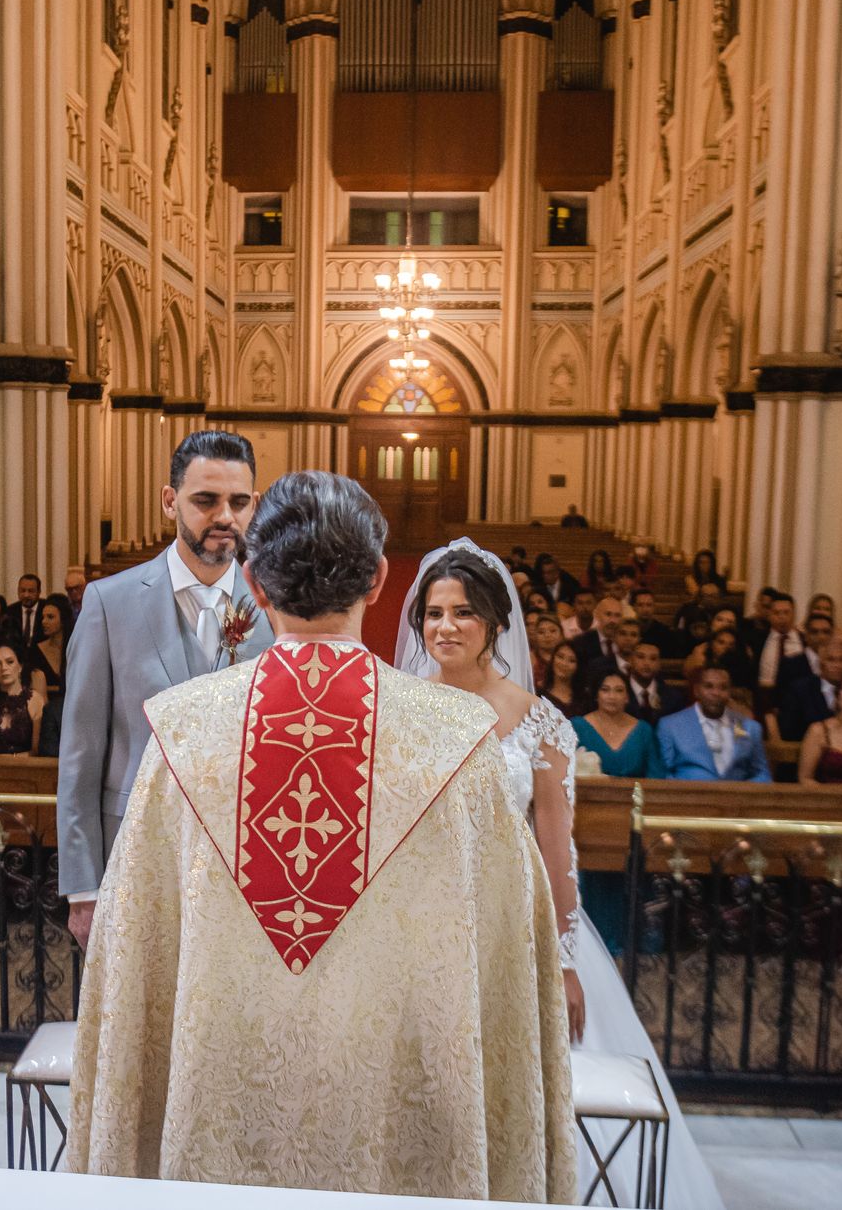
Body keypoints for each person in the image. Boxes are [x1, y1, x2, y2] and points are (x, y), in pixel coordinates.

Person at [70, 478, 576, 1201]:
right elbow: (508, 954)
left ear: (253, 582)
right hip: (399, 1100)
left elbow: (133, 952)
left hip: (222, 1098)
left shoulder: (183, 734)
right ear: (379, 579)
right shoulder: (461, 745)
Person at [394, 537, 723, 1210]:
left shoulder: (539, 719)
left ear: (495, 622)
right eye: (433, 613)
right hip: (421, 925)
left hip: (512, 926)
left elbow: (555, 847)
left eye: (462, 612)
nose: (445, 627)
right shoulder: (400, 708)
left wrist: (565, 958)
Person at [58, 430, 275, 947]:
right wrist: (83, 888)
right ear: (169, 501)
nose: (224, 516)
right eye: (205, 500)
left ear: (254, 506)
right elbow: (81, 754)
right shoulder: (109, 604)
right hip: (134, 856)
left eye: (238, 502)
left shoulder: (276, 610)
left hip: (244, 869)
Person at [656, 663, 773, 781]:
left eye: (723, 687)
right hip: (688, 792)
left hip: (737, 792)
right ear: (696, 691)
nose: (716, 693)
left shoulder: (749, 727)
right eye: (708, 686)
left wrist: (743, 791)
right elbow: (663, 774)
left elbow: (762, 773)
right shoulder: (670, 726)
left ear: (729, 692)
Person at [574, 670, 660, 780]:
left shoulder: (644, 731)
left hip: (635, 791)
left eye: (619, 690)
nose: (612, 696)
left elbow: (655, 776)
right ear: (596, 695)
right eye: (605, 690)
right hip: (588, 790)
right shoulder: (577, 727)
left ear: (627, 697)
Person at [773, 637, 842, 742]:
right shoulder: (800, 690)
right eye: (831, 659)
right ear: (821, 663)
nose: (837, 665)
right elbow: (788, 732)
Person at [0, 639, 44, 756]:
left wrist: (11, 760)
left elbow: (37, 751)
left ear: (20, 666)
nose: (3, 668)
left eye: (10, 662)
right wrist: (0, 762)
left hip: (26, 766)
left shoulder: (36, 700)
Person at [745, 590, 803, 703]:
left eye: (786, 612)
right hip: (764, 697)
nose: (782, 617)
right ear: (770, 615)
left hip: (796, 699)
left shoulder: (804, 641)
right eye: (776, 613)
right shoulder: (757, 640)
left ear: (794, 614)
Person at [625, 642, 686, 724]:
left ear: (659, 664)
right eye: (640, 657)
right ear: (630, 660)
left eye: (653, 659)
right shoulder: (618, 692)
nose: (647, 663)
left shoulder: (673, 698)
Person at [27, 595, 72, 697]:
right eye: (43, 617)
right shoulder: (35, 650)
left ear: (63, 619)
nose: (44, 621)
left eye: (50, 617)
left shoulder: (75, 648)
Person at [540, 639, 584, 716]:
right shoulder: (538, 695)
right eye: (560, 657)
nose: (564, 664)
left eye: (572, 660)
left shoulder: (585, 700)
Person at [630, 587, 677, 653]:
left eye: (649, 605)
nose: (645, 609)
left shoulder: (664, 632)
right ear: (634, 607)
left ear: (654, 607)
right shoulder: (629, 630)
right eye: (640, 605)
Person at [531, 611, 565, 687]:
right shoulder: (528, 660)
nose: (547, 635)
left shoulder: (570, 657)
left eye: (553, 631)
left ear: (561, 633)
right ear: (535, 636)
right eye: (541, 632)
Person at [9, 573, 43, 644]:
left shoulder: (46, 609)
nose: (26, 595)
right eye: (23, 590)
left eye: (31, 591)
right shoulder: (10, 611)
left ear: (39, 591)